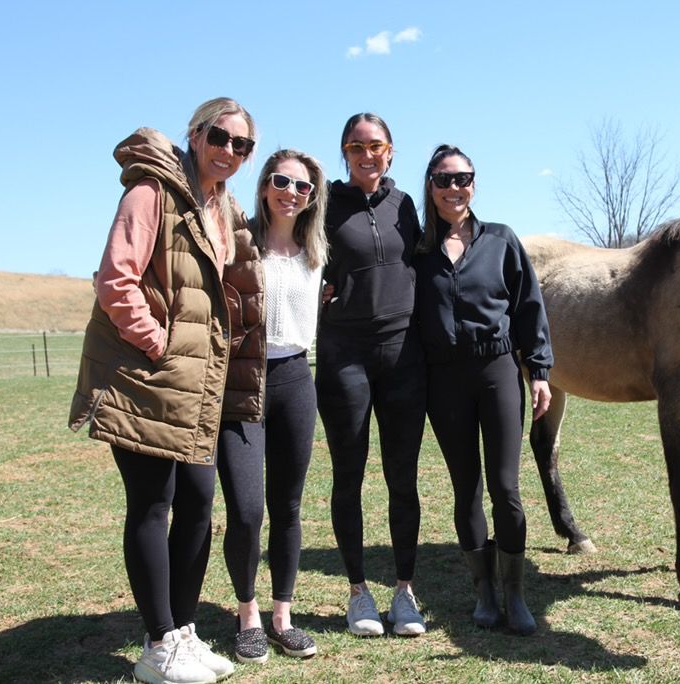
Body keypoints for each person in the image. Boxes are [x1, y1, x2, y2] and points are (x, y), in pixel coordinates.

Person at [69, 97, 259, 684]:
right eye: (221, 138)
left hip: (193, 386)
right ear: (196, 134)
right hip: (144, 377)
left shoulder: (223, 209)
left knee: (200, 501)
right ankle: (157, 648)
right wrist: (157, 344)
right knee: (153, 505)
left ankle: (182, 631)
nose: (230, 151)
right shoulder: (152, 191)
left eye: (242, 145)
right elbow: (115, 279)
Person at [413, 145, 553, 636]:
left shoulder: (500, 240)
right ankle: (484, 594)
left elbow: (529, 306)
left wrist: (538, 371)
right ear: (429, 185)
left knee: (506, 487)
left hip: (496, 370)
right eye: (444, 179)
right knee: (466, 488)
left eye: (463, 178)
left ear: (475, 183)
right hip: (443, 378)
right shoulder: (420, 249)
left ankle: (515, 594)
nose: (455, 188)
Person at [316, 113, 428, 637]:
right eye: (356, 146)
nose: (367, 154)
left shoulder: (405, 206)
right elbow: (291, 256)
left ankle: (404, 591)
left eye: (376, 145)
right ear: (344, 151)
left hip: (404, 354)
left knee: (403, 478)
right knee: (350, 475)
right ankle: (358, 592)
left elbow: (427, 265)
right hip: (346, 354)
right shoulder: (324, 205)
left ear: (390, 151)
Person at [217, 149, 328, 663]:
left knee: (287, 506)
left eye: (302, 186)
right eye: (282, 181)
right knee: (246, 508)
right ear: (264, 186)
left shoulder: (316, 251)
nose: (291, 192)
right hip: (241, 382)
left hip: (296, 380)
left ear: (312, 197)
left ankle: (282, 617)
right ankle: (248, 615)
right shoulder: (239, 243)